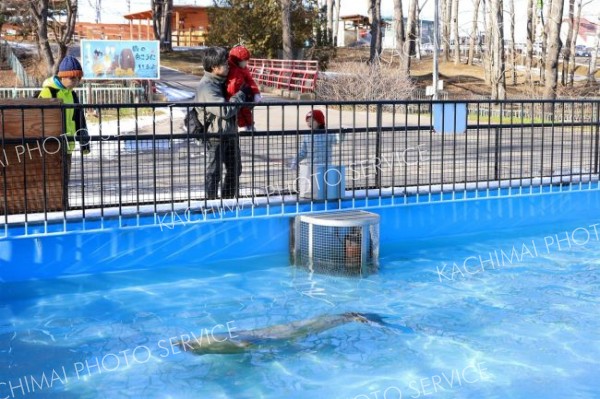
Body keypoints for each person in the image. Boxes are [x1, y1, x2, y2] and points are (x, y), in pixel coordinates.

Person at [196, 46, 253, 199]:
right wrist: (241, 95)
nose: (228, 66)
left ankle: (227, 201)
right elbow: (225, 111)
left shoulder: (223, 81)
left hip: (230, 134)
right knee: (214, 172)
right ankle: (211, 203)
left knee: (235, 170)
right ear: (214, 67)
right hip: (215, 135)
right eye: (225, 64)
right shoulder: (207, 87)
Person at [38, 55, 90, 190]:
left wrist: (84, 142)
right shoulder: (48, 92)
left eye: (78, 78)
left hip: (67, 145)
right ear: (62, 77)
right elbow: (38, 119)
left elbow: (79, 118)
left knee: (64, 182)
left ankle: (63, 207)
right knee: (52, 182)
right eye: (72, 78)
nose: (76, 81)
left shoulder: (72, 94)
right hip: (50, 146)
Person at [287, 110, 343, 198]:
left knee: (325, 190)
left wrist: (342, 133)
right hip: (312, 168)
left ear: (319, 121)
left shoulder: (328, 134)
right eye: (307, 121)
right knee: (313, 191)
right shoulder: (307, 135)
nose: (309, 123)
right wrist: (295, 160)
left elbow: (337, 140)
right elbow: (303, 152)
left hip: (325, 167)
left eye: (312, 120)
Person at [225, 45, 261, 131]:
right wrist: (232, 97)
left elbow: (250, 80)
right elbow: (231, 87)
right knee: (239, 111)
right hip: (235, 96)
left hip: (243, 94)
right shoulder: (233, 71)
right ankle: (242, 126)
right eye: (244, 61)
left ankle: (250, 125)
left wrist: (256, 93)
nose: (246, 63)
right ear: (237, 61)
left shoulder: (244, 69)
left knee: (246, 110)